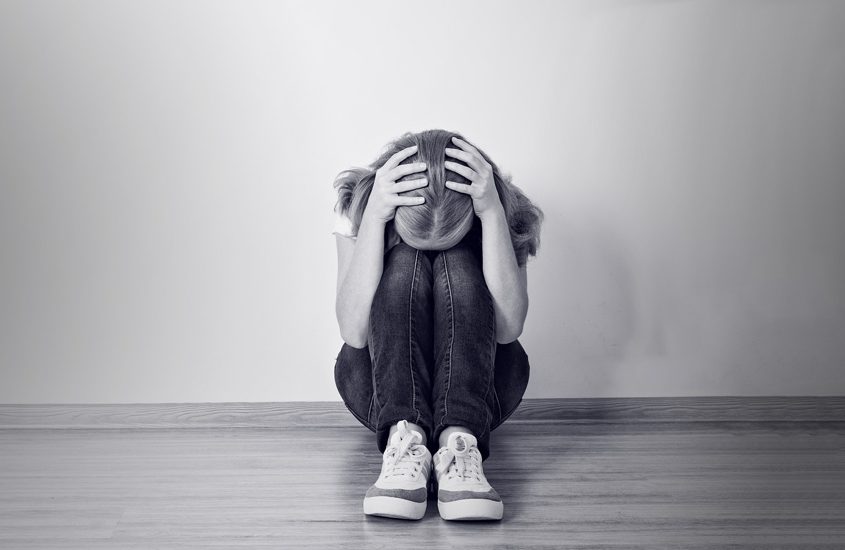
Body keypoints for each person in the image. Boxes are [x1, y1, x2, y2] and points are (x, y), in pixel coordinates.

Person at [332, 129, 542, 521]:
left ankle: (460, 439)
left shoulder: (502, 213)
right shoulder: (361, 208)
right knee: (404, 263)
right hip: (380, 394)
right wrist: (375, 218)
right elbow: (353, 332)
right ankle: (405, 438)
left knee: (457, 262)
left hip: (481, 396)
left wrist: (492, 215)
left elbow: (509, 328)